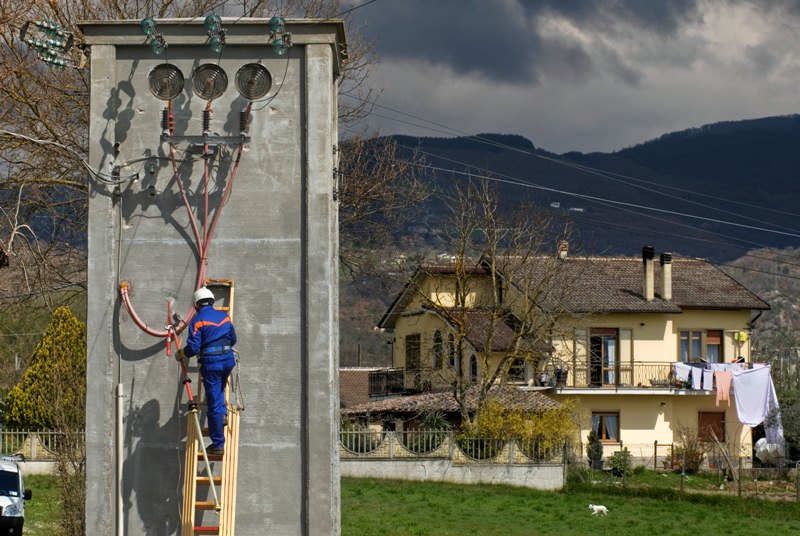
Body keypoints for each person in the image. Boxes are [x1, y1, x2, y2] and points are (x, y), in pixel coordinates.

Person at [177, 287, 237, 456]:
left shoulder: (197, 321)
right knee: (219, 390)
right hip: (228, 360)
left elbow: (194, 347)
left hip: (212, 364)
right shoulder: (225, 317)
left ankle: (218, 444)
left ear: (196, 305)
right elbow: (233, 339)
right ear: (211, 301)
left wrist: (182, 353)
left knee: (213, 403)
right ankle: (222, 415)